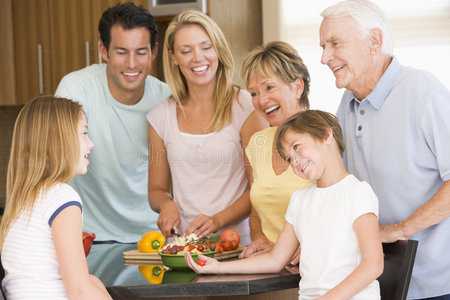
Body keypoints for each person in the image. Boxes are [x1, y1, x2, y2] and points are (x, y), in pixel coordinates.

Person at [319, 0, 450, 299]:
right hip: (381, 281)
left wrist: (401, 229)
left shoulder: (423, 92)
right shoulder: (348, 103)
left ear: (374, 41)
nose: (325, 57)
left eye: (335, 43)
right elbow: (341, 186)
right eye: (323, 46)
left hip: (437, 285)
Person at [185, 110, 384, 300]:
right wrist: (217, 267)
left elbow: (373, 264)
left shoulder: (357, 192)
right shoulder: (300, 199)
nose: (295, 161)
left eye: (296, 147)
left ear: (326, 134)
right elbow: (275, 259)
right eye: (289, 158)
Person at [147, 10, 267, 244]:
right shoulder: (159, 117)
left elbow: (261, 187)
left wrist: (218, 220)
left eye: (205, 47)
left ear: (218, 50)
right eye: (186, 51)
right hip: (183, 247)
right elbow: (156, 190)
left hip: (236, 244)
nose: (197, 58)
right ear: (173, 57)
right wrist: (166, 203)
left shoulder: (246, 106)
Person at [55, 3, 171, 242]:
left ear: (154, 51)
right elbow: (57, 164)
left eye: (141, 52)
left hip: (153, 237)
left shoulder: (166, 99)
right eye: (121, 52)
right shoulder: (76, 89)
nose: (131, 64)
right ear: (104, 51)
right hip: (89, 236)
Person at [0, 96, 111, 299]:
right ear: (59, 141)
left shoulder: (25, 200)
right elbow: (79, 291)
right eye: (84, 133)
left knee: (93, 280)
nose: (91, 143)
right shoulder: (62, 197)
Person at [238, 41, 313, 262]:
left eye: (269, 87)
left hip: (313, 264)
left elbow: (339, 207)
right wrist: (260, 239)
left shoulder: (324, 135)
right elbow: (256, 207)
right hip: (272, 265)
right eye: (253, 93)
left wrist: (311, 247)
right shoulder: (257, 143)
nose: (261, 101)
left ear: (297, 87)